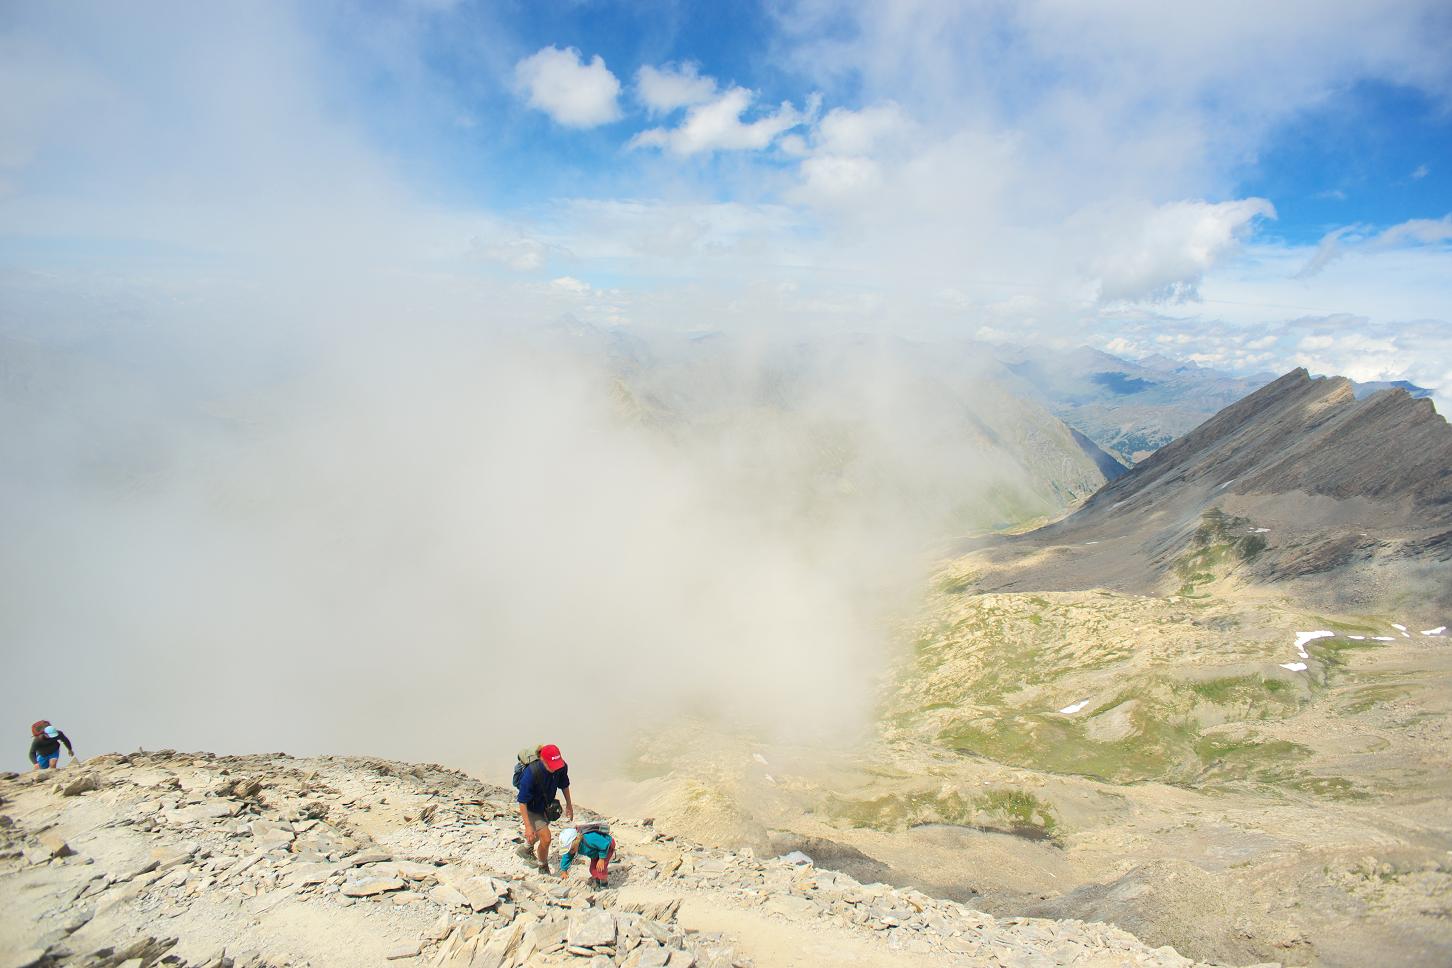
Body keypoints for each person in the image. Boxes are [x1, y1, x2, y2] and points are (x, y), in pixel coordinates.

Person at [515, 743, 573, 874]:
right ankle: (543, 866)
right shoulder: (531, 773)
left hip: (545, 805)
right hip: (532, 808)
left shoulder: (561, 767)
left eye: (557, 765)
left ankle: (525, 849)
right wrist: (528, 826)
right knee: (546, 838)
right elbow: (522, 801)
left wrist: (569, 804)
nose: (555, 769)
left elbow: (564, 785)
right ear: (542, 760)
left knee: (538, 834)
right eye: (551, 766)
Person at [559, 823, 616, 888]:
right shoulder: (573, 847)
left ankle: (604, 884)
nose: (571, 852)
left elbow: (604, 844)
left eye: (572, 849)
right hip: (595, 851)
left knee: (600, 869)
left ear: (577, 840)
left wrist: (601, 859)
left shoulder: (590, 838)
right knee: (593, 869)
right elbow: (567, 855)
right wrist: (564, 870)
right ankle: (598, 882)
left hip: (607, 847)